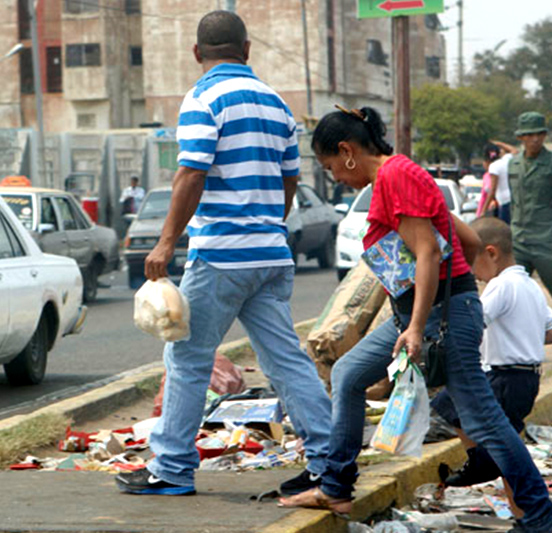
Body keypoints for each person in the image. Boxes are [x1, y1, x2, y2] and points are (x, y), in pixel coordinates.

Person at [278, 106, 552, 533]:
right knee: (349, 373)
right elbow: (470, 240)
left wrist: (418, 326)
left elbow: (426, 251)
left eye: (331, 166)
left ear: (348, 151)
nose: (335, 178)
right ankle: (336, 485)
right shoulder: (402, 174)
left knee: (483, 421)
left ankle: (539, 515)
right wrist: (418, 309)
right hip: (426, 309)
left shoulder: (394, 177)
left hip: (442, 315)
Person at [115, 10, 332, 497]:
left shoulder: (202, 98)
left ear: (197, 54)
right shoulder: (277, 105)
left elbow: (191, 173)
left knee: (187, 359)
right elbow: (290, 178)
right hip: (271, 255)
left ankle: (170, 468)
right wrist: (270, 224)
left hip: (221, 257)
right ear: (247, 50)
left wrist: (167, 242)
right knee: (286, 361)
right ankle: (327, 460)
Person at [431, 217, 552, 512]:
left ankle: (480, 463)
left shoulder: (501, 285)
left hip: (503, 377)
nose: (472, 273)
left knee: (448, 403)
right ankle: (523, 514)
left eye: (471, 261)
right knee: (509, 450)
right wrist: (525, 336)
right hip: (526, 378)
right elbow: (549, 330)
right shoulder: (531, 288)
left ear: (491, 253)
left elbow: (472, 322)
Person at [508, 112, 552, 295]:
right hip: (519, 239)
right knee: (515, 293)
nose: (535, 139)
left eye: (539, 134)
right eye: (529, 135)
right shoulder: (513, 164)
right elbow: (513, 202)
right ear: (521, 137)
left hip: (546, 239)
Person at [482, 141, 517, 224]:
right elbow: (515, 150)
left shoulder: (493, 166)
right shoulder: (507, 159)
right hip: (514, 199)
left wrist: (484, 210)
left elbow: (493, 190)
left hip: (505, 203)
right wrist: (499, 143)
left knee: (505, 230)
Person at [476, 144, 500, 218]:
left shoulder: (501, 173)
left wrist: (483, 210)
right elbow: (483, 197)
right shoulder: (486, 176)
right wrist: (479, 214)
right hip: (489, 212)